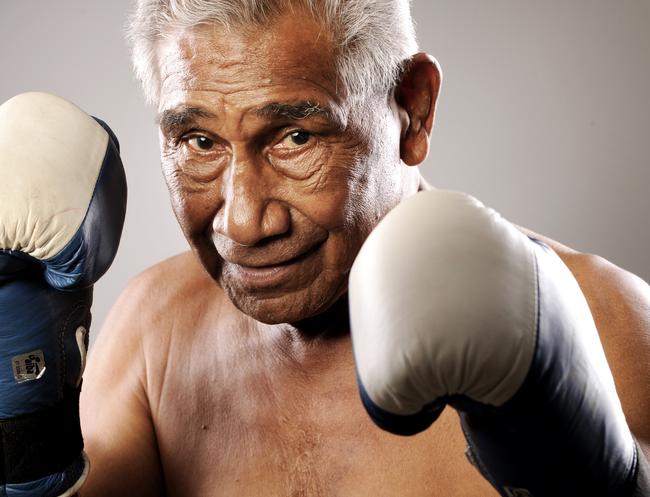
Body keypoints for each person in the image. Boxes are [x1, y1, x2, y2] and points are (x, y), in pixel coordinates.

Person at [1, 1, 648, 496]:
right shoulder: (153, 332)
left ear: (413, 109)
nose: (245, 222)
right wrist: (22, 429)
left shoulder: (607, 325)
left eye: (295, 137)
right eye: (200, 143)